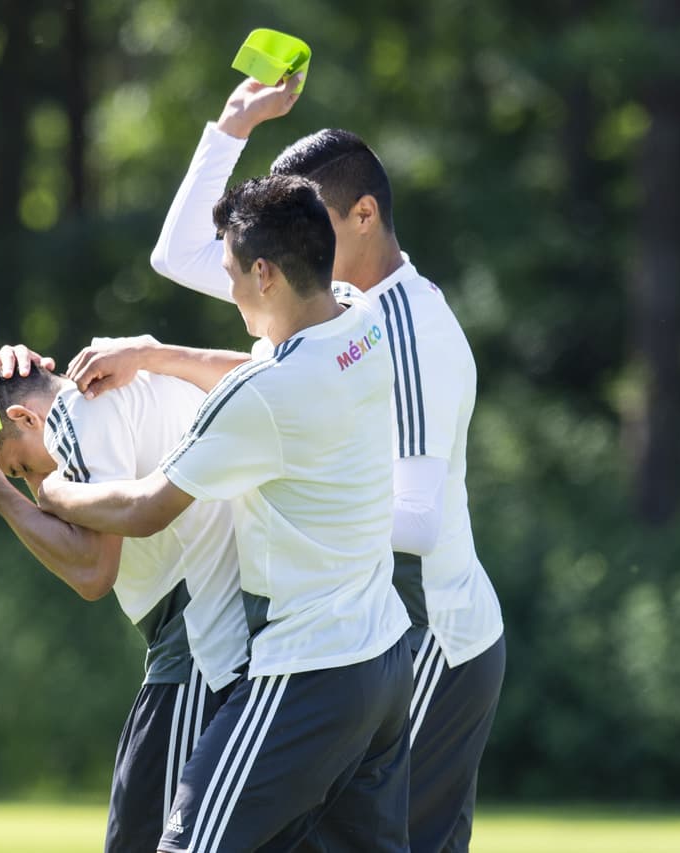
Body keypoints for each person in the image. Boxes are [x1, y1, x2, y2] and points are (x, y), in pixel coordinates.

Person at [148, 75, 506, 853]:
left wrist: (281, 472)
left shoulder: (407, 334)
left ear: (364, 215)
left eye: (311, 214)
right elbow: (177, 254)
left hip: (431, 641)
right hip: (359, 642)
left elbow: (415, 520)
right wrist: (231, 128)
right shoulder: (324, 292)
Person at [38, 174, 412, 852]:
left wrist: (52, 489)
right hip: (384, 661)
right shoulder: (362, 320)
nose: (231, 286)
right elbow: (254, 365)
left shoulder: (268, 397)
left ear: (264, 273)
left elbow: (147, 507)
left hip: (308, 673)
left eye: (232, 271)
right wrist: (152, 354)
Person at [0, 345, 250, 853]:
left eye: (21, 466)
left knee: (140, 840)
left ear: (24, 417)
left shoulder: (81, 409)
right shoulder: (126, 370)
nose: (37, 485)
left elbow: (92, 572)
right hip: (208, 632)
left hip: (202, 642)